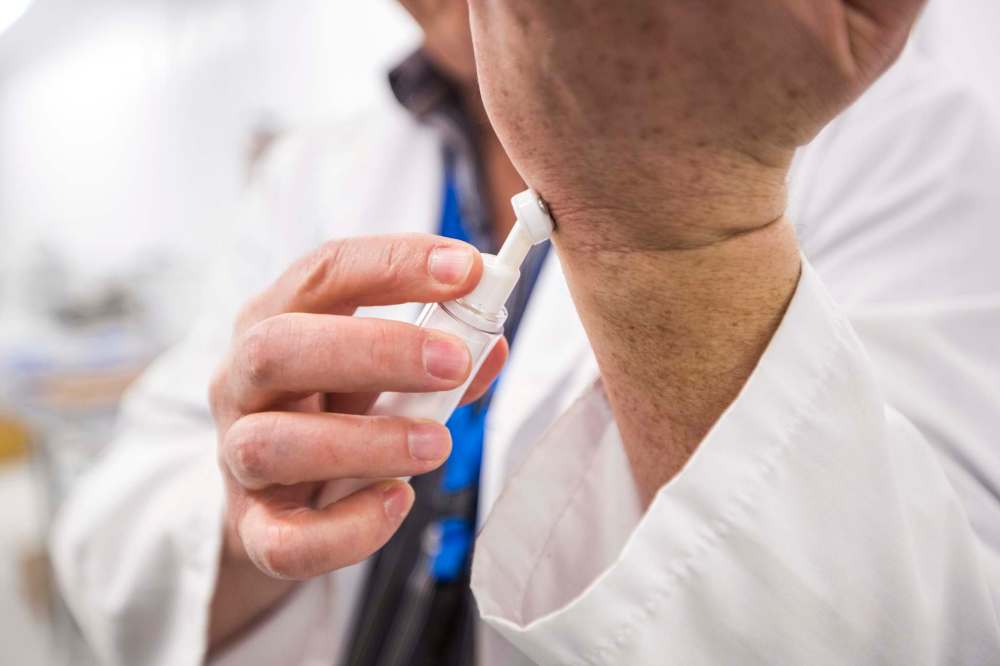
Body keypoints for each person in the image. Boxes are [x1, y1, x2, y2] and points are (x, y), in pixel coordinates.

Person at [52, 1, 1000, 664]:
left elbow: (909, 630)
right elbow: (111, 541)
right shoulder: (312, 170)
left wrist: (678, 233)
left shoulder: (914, 142)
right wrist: (248, 511)